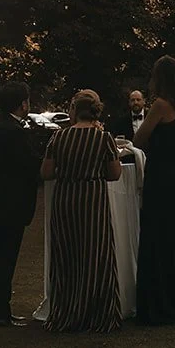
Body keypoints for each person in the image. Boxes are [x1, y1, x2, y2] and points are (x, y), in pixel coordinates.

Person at [41, 91, 122, 333]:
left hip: (66, 198)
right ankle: (97, 311)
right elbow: (114, 174)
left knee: (67, 255)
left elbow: (46, 172)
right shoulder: (103, 138)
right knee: (95, 255)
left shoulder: (59, 137)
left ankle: (67, 309)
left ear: (74, 110)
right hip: (93, 200)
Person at [134, 56, 175, 325]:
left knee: (159, 238)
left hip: (163, 178)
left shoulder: (160, 105)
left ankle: (159, 304)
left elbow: (139, 139)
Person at [0, 81, 44, 327]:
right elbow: (27, 165)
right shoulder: (14, 131)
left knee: (1, 257)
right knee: (5, 259)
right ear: (22, 104)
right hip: (8, 204)